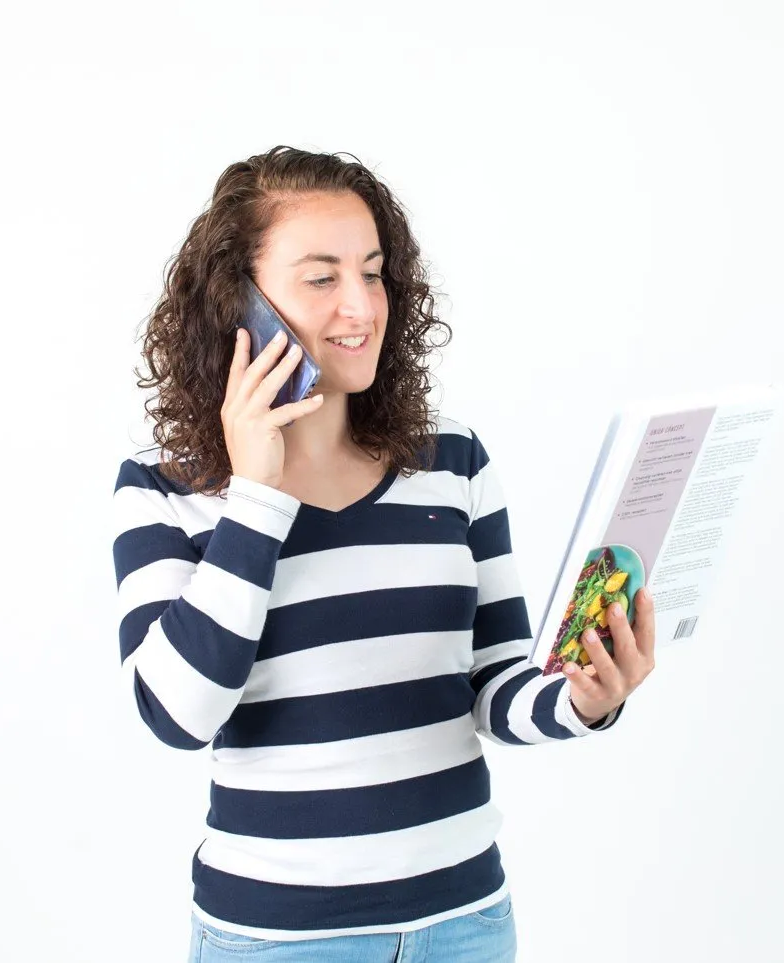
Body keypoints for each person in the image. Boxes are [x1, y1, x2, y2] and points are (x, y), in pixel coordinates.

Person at [111, 146, 657, 962]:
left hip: (465, 921)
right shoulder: (165, 490)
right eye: (322, 278)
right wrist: (258, 493)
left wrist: (583, 699)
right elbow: (176, 714)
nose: (361, 306)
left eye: (373, 272)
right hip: (281, 941)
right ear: (242, 301)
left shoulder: (452, 460)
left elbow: (495, 685)